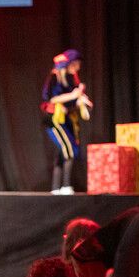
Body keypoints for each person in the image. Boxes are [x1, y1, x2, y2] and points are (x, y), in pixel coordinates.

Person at [40, 49, 93, 195]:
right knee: (69, 150)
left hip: (66, 119)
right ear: (70, 63)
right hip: (55, 120)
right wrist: (73, 95)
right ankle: (66, 186)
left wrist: (81, 100)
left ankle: (56, 188)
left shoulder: (71, 78)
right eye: (76, 64)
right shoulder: (55, 77)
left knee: (63, 152)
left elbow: (73, 99)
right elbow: (51, 99)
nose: (78, 67)